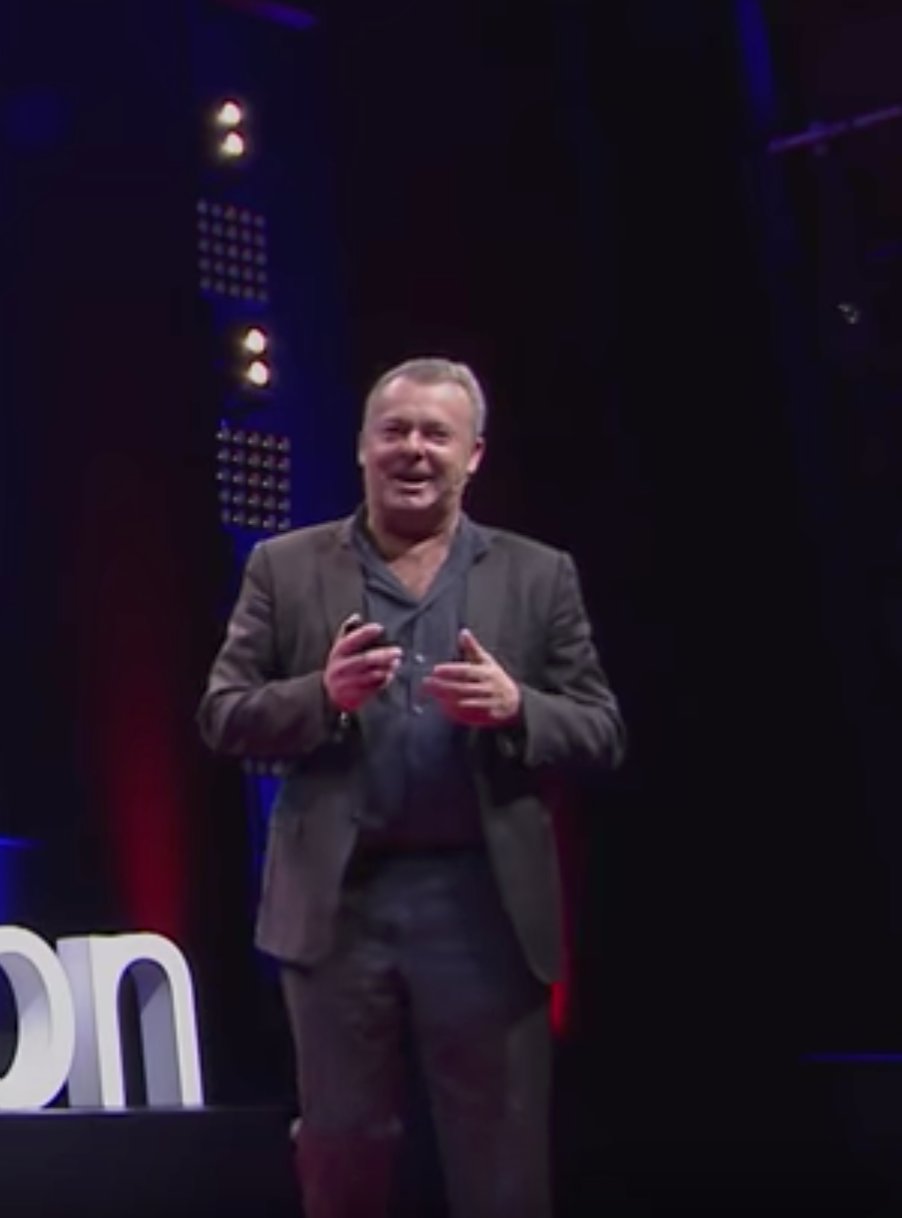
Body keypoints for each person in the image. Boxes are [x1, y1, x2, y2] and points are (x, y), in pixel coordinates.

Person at [197, 357, 626, 1218]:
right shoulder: (285, 567)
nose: (414, 450)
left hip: (484, 903)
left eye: (437, 434)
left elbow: (601, 729)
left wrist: (517, 708)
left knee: (501, 1157)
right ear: (361, 447)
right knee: (344, 1145)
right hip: (337, 908)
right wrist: (323, 696)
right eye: (394, 431)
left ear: (475, 455)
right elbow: (223, 715)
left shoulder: (540, 576)